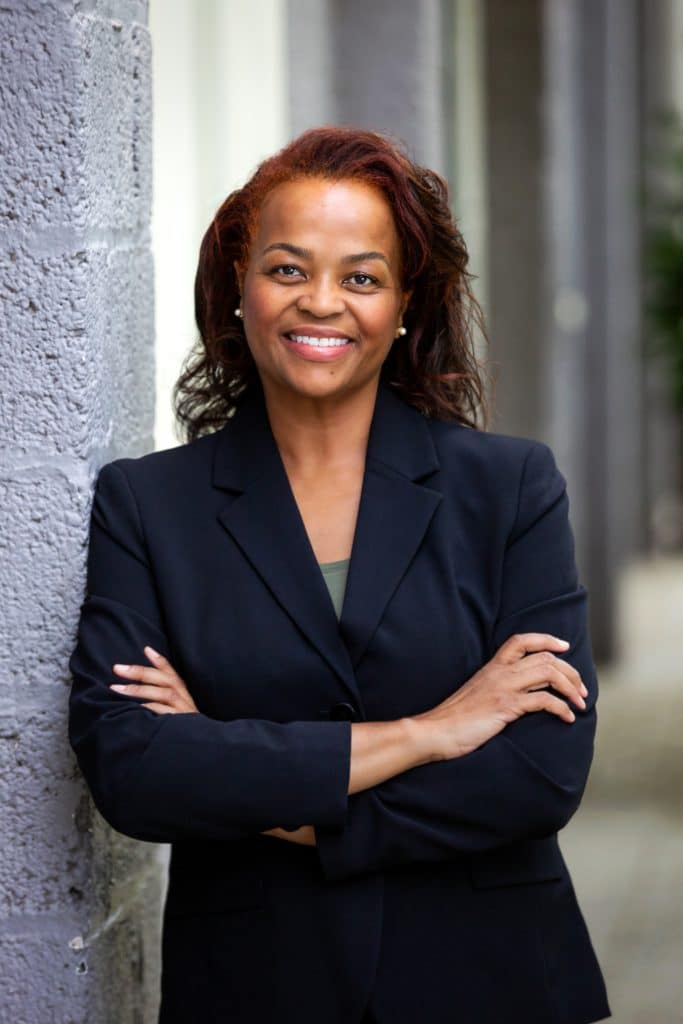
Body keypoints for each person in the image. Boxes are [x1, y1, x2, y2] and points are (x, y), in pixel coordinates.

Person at [68, 125, 611, 1024]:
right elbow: (134, 771)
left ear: (402, 305)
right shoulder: (148, 504)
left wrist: (254, 785)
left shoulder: (508, 488)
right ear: (238, 288)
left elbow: (540, 773)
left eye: (360, 277)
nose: (321, 302)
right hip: (255, 985)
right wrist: (432, 732)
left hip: (491, 982)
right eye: (287, 269)